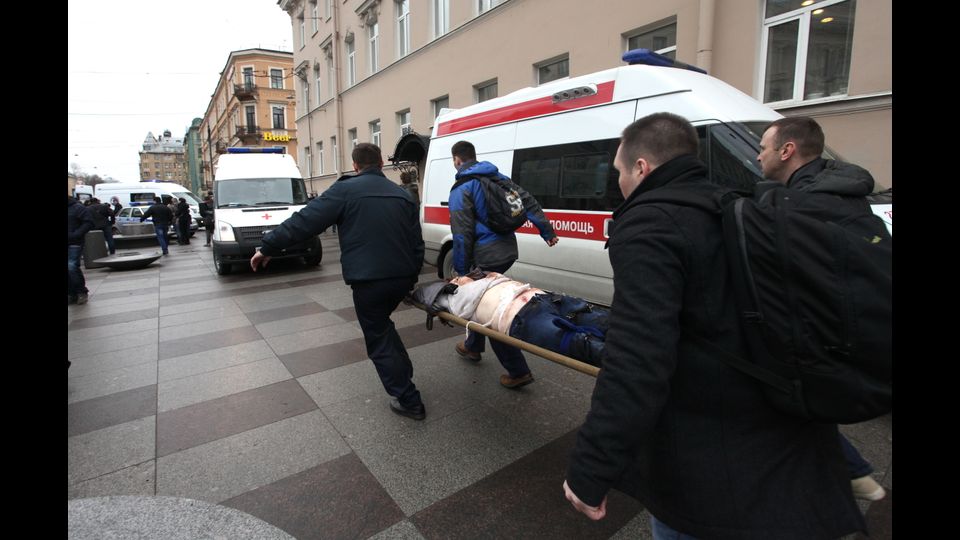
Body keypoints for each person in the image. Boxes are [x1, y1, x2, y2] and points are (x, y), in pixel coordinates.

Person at [562, 113, 865, 539]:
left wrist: (591, 466)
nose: (619, 183)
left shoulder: (650, 224)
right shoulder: (733, 203)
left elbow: (637, 359)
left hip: (708, 460)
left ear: (642, 168)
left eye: (619, 172)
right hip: (783, 436)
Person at [758, 115, 886, 502]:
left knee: (777, 394)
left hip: (825, 332)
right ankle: (850, 472)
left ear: (787, 150)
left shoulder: (802, 205)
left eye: (763, 147)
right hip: (854, 327)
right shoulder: (843, 191)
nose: (759, 154)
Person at [250, 143, 427, 420]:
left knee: (378, 335)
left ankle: (408, 399)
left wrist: (268, 246)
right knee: (383, 327)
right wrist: (411, 275)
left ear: (355, 166)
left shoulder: (344, 190)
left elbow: (305, 221)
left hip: (369, 280)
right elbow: (417, 243)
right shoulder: (402, 194)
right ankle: (403, 376)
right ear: (381, 164)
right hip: (401, 276)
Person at [448, 140, 559, 389]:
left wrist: (463, 271)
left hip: (485, 256)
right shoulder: (499, 178)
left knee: (490, 308)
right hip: (507, 250)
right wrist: (546, 231)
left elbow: (462, 234)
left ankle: (518, 370)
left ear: (457, 160)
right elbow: (528, 202)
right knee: (481, 300)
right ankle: (472, 347)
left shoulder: (463, 188)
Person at [411, 270, 608, 366]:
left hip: (546, 298)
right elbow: (423, 295)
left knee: (606, 321)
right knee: (581, 345)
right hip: (521, 317)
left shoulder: (492, 277)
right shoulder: (454, 298)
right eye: (454, 279)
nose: (458, 277)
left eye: (458, 276)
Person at [68, 196, 95, 305]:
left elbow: (89, 223)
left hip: (74, 242)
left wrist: (76, 234)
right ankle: (71, 293)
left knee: (71, 266)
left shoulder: (77, 208)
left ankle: (81, 292)